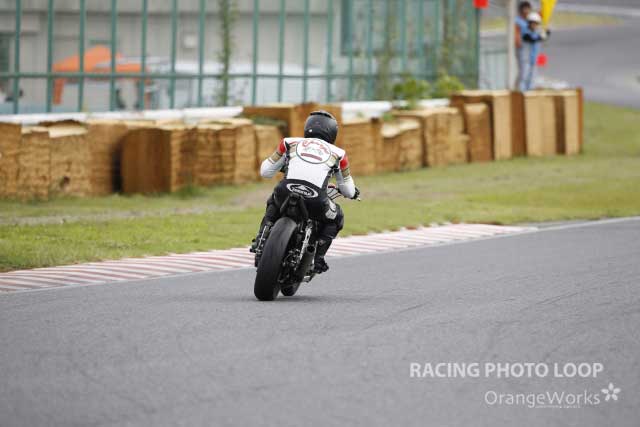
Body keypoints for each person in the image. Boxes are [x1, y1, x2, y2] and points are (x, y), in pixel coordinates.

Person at [250, 110, 359, 274]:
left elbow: (265, 172)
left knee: (273, 199)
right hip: (316, 199)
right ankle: (318, 259)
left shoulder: (288, 143)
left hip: (285, 191)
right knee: (337, 217)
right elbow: (348, 190)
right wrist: (352, 193)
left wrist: (284, 166)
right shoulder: (339, 154)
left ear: (307, 127)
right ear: (332, 132)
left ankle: (261, 238)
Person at [519, 11, 549, 91]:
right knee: (524, 76)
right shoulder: (525, 32)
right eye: (532, 23)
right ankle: (522, 92)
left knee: (532, 77)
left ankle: (530, 92)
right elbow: (531, 39)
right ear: (529, 23)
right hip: (526, 59)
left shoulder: (537, 32)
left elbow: (545, 35)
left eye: (536, 23)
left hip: (534, 59)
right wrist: (541, 37)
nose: (534, 25)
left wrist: (546, 33)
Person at [515, 1, 533, 91]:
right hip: (522, 48)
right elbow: (517, 34)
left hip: (530, 48)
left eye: (528, 9)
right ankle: (520, 90)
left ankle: (527, 89)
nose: (527, 11)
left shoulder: (530, 21)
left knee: (530, 70)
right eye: (525, 9)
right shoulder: (518, 21)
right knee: (523, 71)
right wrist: (518, 42)